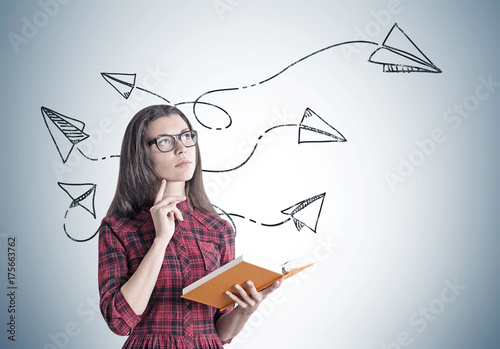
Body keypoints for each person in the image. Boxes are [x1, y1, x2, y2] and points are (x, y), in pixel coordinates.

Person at [98, 104, 281, 349]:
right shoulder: (118, 227)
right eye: (165, 141)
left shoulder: (218, 229)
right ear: (142, 154)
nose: (182, 148)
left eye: (186, 136)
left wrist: (245, 310)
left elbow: (218, 331)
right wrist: (160, 240)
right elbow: (119, 322)